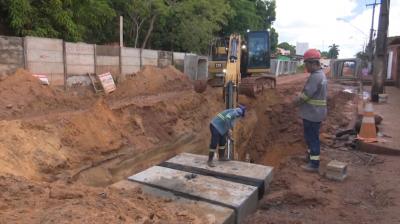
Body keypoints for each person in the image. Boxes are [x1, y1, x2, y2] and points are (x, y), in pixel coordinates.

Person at [294, 49, 327, 172]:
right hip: (314, 113)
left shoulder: (316, 77)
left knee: (312, 138)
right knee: (309, 137)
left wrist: (295, 101)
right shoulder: (320, 75)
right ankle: (310, 157)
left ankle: (314, 164)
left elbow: (306, 95)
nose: (305, 66)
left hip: (313, 114)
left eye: (306, 63)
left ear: (313, 63)